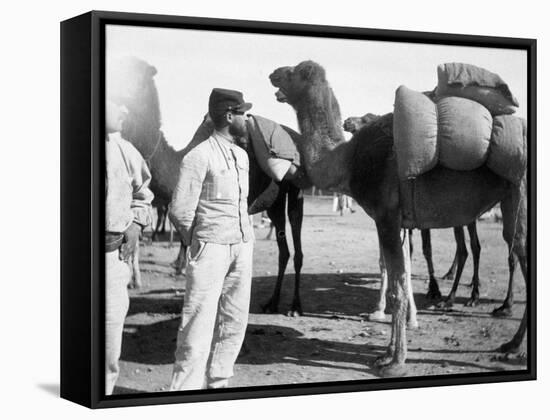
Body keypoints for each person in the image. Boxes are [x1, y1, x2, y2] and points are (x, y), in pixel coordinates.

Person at [169, 88, 255, 390]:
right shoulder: (199, 156)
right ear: (229, 116)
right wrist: (200, 241)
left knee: (234, 319)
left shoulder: (242, 156)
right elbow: (180, 210)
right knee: (198, 321)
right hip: (210, 248)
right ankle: (184, 392)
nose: (247, 118)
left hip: (242, 247)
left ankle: (218, 383)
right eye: (243, 113)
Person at [105, 98, 154, 395]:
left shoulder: (125, 150)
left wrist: (136, 223)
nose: (125, 110)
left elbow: (143, 194)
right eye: (116, 102)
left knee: (108, 349)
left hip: (111, 260)